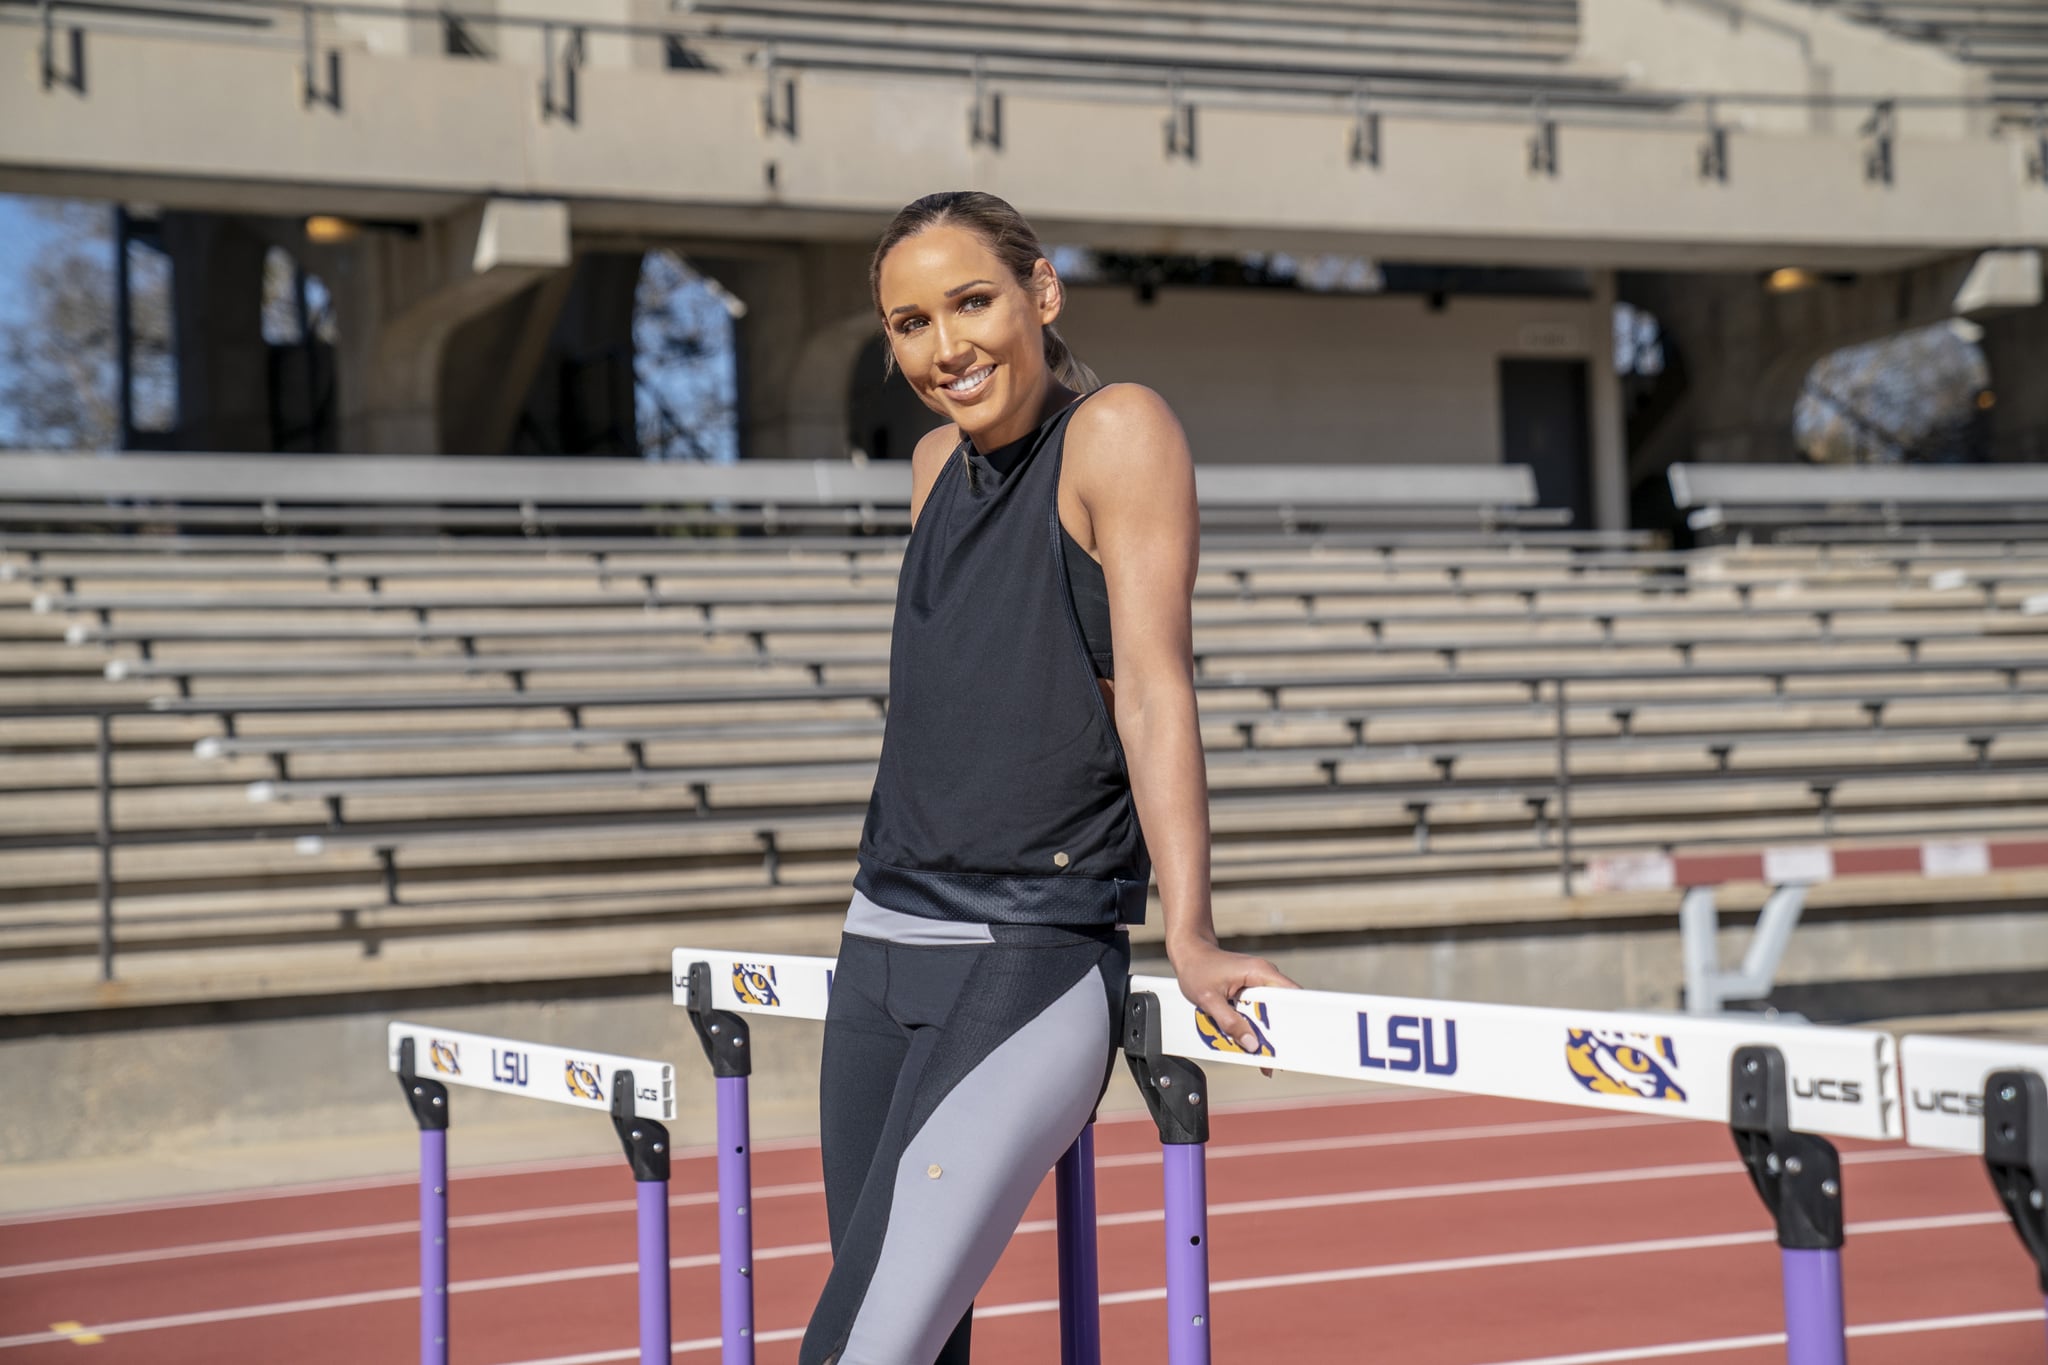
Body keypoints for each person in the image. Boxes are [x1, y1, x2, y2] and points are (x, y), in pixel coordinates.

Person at [802, 190, 1298, 1365]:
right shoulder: (929, 465)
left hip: (1022, 954)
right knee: (914, 1342)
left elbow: (1151, 685)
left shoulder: (1115, 431)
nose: (945, 348)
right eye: (910, 323)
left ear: (1041, 292)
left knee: (856, 1351)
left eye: (971, 302)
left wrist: (1191, 931)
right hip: (875, 948)